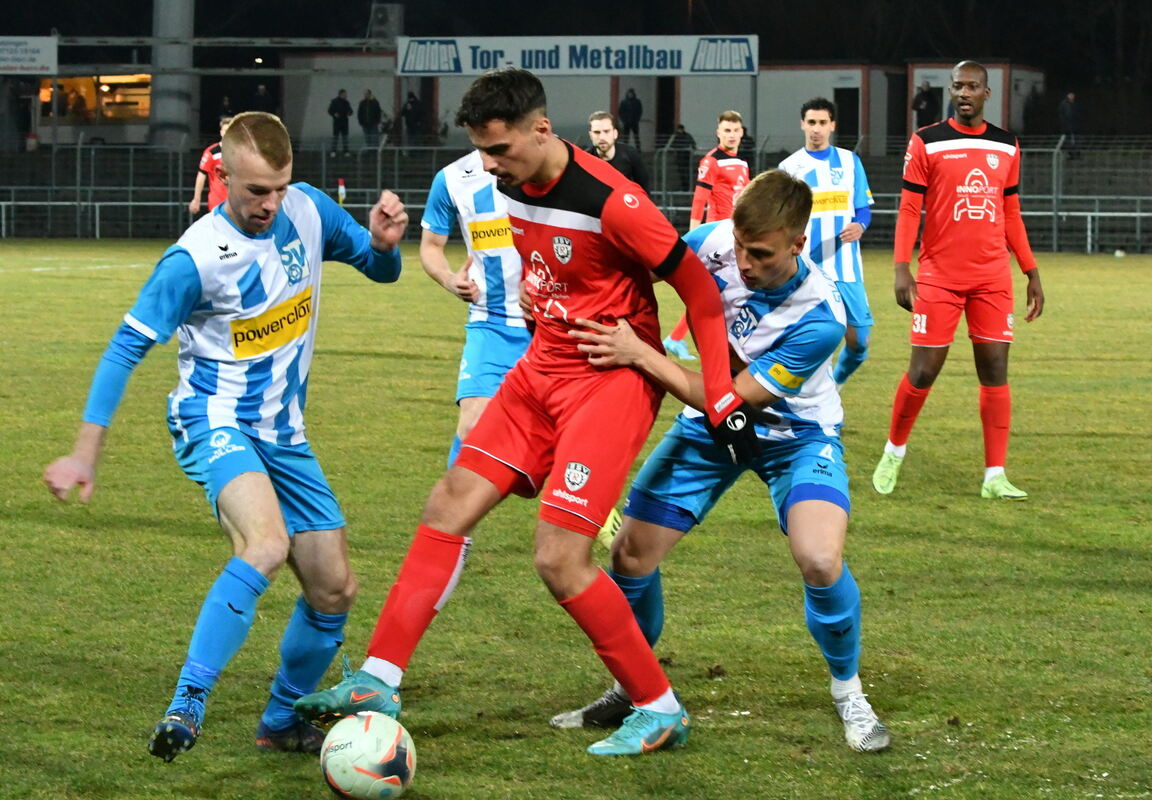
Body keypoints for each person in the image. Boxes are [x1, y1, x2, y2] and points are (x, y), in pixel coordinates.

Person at [293, 66, 763, 758]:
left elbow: (698, 290)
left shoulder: (613, 200)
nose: (488, 165)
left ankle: (659, 707)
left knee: (558, 557)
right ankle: (378, 679)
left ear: (541, 130)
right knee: (447, 505)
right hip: (539, 368)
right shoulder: (508, 182)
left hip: (608, 380)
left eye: (500, 149)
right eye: (480, 151)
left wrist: (719, 394)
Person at [42, 111, 408, 762]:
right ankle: (188, 703)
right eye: (256, 191)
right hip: (213, 417)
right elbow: (124, 349)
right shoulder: (196, 258)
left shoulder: (308, 210)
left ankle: (281, 721)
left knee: (334, 588)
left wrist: (382, 246)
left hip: (284, 433)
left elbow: (381, 271)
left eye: (280, 188)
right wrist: (84, 452)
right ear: (226, 176)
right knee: (265, 543)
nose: (270, 204)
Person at [554, 169, 891, 753]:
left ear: (798, 244)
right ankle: (635, 689)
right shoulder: (711, 242)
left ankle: (849, 693)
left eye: (760, 254)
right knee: (629, 554)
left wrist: (640, 354)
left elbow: (731, 399)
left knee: (819, 558)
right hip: (708, 432)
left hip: (795, 435)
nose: (743, 263)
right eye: (739, 246)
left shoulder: (821, 317)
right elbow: (629, 270)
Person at [872, 61, 1045, 500]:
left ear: (987, 93)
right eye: (957, 86)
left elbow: (1011, 213)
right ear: (950, 92)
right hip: (939, 276)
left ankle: (995, 476)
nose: (964, 93)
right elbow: (909, 208)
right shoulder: (927, 141)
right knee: (923, 371)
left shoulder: (1006, 145)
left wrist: (1031, 271)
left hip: (992, 277)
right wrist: (901, 267)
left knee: (995, 370)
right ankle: (894, 451)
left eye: (972, 86)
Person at [419, 149, 532, 466]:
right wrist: (449, 279)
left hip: (554, 323)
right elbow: (430, 246)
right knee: (472, 428)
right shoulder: (452, 178)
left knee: (565, 435)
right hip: (492, 321)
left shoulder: (549, 160)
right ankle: (453, 502)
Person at [779, 97, 876, 386]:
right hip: (805, 269)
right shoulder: (789, 167)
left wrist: (860, 225)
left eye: (822, 123)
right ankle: (797, 397)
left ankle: (834, 385)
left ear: (832, 125)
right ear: (802, 124)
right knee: (807, 341)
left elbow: (863, 209)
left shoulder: (849, 161)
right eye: (811, 122)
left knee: (859, 342)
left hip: (846, 267)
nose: (816, 129)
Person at [663, 110, 750, 360]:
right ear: (718, 132)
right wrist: (693, 235)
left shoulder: (743, 163)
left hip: (736, 234)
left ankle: (677, 338)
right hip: (716, 235)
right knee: (712, 292)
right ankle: (697, 342)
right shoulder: (711, 161)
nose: (731, 135)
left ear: (741, 133)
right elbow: (699, 199)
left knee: (717, 292)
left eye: (735, 130)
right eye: (727, 130)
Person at [586, 110, 649, 193]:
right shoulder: (585, 159)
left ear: (615, 134)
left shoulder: (630, 154)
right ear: (591, 135)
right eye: (597, 132)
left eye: (606, 131)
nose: (602, 137)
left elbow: (644, 189)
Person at [187, 115, 232, 216]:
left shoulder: (240, 152)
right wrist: (196, 199)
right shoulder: (212, 152)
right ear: (221, 132)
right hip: (217, 203)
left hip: (237, 204)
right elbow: (201, 174)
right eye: (225, 130)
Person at [667, 123, 696, 191]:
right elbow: (693, 144)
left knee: (684, 172)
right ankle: (686, 186)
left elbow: (671, 145)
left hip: (683, 156)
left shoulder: (677, 136)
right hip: (684, 156)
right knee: (684, 172)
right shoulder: (685, 135)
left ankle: (686, 186)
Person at [328, 89, 353, 156]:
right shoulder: (334, 101)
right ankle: (333, 151)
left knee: (345, 137)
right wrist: (334, 114)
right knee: (335, 137)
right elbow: (330, 110)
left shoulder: (346, 102)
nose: (346, 95)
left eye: (346, 94)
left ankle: (346, 151)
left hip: (345, 122)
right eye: (345, 94)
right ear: (340, 94)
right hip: (337, 122)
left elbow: (351, 111)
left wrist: (349, 112)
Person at [1057, 91, 1079, 157]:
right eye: (1071, 95)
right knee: (1065, 140)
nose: (1072, 96)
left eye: (1073, 95)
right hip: (1066, 126)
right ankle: (1060, 152)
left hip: (1072, 126)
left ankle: (1072, 153)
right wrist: (1064, 123)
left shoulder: (1074, 104)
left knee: (1072, 140)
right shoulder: (1064, 103)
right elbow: (1061, 114)